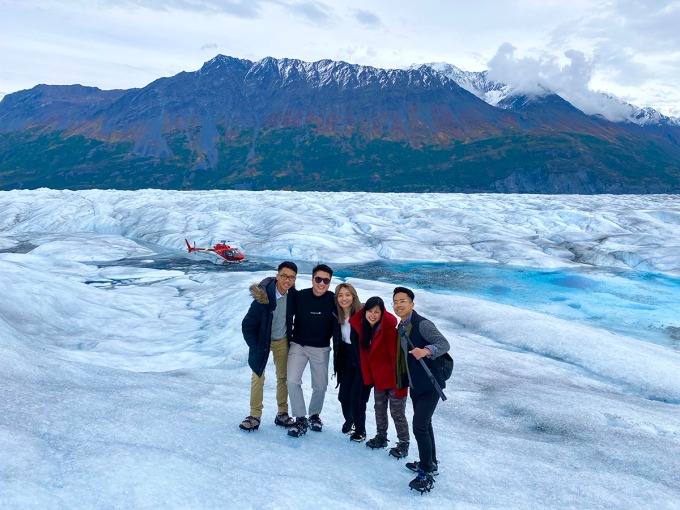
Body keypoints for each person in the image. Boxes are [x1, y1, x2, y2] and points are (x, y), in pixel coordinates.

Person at [392, 286, 450, 494]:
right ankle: (430, 461)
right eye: (395, 302)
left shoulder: (422, 324)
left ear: (412, 304)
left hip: (430, 383)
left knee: (419, 426)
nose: (398, 305)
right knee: (425, 423)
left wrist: (426, 350)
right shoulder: (402, 326)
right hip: (417, 384)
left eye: (402, 301)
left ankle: (426, 471)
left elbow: (444, 344)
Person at [240, 261, 299, 431]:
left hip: (282, 340)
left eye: (291, 277)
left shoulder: (292, 296)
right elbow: (247, 325)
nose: (287, 280)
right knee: (258, 376)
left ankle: (282, 413)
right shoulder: (262, 299)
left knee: (283, 377)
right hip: (263, 342)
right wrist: (256, 345)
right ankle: (254, 415)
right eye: (284, 276)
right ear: (277, 276)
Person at [350, 296, 410, 455]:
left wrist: (400, 385)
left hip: (394, 380)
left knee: (397, 413)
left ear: (382, 313)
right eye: (369, 311)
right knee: (379, 409)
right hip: (379, 380)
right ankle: (381, 436)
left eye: (377, 312)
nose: (373, 315)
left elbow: (395, 359)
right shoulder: (366, 329)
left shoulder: (389, 331)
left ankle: (404, 443)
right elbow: (355, 320)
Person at [286, 264, 337, 437]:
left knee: (320, 386)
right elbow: (280, 295)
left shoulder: (333, 299)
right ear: (312, 279)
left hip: (321, 347)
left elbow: (352, 306)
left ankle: (314, 415)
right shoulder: (300, 296)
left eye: (326, 280)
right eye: (318, 279)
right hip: (298, 345)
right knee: (292, 381)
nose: (321, 283)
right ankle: (300, 418)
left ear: (330, 282)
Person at [332, 283, 364, 438]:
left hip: (361, 359)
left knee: (356, 396)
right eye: (340, 295)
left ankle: (360, 430)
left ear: (353, 296)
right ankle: (349, 420)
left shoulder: (363, 313)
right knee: (343, 395)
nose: (344, 298)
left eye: (347, 294)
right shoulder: (336, 315)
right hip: (345, 357)